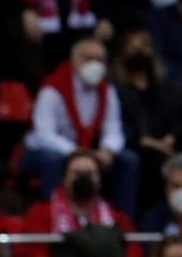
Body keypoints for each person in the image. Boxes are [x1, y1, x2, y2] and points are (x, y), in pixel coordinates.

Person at [22, 37, 139, 220]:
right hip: (46, 151)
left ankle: (124, 224)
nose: (95, 64)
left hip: (86, 151)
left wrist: (108, 150)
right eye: (89, 59)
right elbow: (44, 134)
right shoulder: (53, 89)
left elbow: (114, 129)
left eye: (100, 60)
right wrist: (77, 153)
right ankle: (53, 221)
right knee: (52, 162)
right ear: (75, 61)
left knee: (128, 161)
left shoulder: (107, 90)